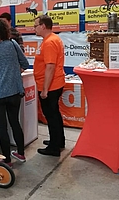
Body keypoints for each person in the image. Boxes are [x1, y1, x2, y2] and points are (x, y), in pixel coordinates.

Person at [0, 18, 29, 165]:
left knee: (2, 127)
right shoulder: (13, 44)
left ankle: (7, 159)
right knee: (15, 122)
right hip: (14, 91)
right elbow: (25, 64)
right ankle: (21, 153)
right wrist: (13, 72)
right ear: (5, 31)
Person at [33, 15, 65, 157]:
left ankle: (54, 147)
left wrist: (45, 89)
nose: (34, 28)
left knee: (51, 116)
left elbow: (50, 66)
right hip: (53, 84)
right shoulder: (51, 39)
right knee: (55, 115)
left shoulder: (50, 42)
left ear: (43, 26)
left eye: (35, 26)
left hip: (50, 86)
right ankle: (58, 141)